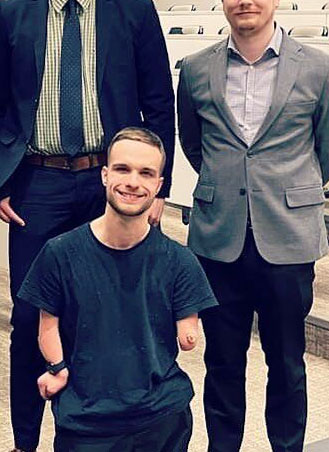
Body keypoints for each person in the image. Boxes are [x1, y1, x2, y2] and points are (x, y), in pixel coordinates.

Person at [0, 0, 175, 451]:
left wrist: (158, 191)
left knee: (110, 316)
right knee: (30, 316)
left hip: (109, 186)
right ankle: (25, 440)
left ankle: (99, 430)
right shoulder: (12, 11)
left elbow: (159, 105)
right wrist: (3, 181)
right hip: (37, 187)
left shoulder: (133, 11)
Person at [177, 0, 329, 452]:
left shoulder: (319, 67)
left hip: (288, 237)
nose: (244, 0)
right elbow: (195, 143)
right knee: (222, 363)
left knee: (287, 362)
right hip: (219, 237)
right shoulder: (195, 68)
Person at [18, 127, 217, 452]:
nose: (133, 182)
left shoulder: (179, 261)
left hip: (161, 417)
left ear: (158, 185)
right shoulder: (60, 253)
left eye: (146, 173)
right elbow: (47, 326)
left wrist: (189, 332)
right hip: (86, 421)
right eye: (123, 169)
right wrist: (56, 368)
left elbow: (188, 335)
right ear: (105, 174)